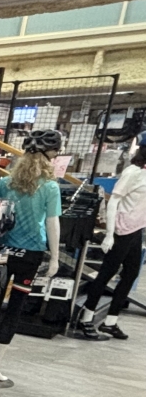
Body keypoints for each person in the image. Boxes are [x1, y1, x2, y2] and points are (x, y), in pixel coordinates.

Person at [0, 129, 64, 386]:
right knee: (15, 308)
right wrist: (55, 258)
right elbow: (52, 223)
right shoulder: (50, 187)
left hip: (2, 251)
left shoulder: (4, 183)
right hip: (30, 254)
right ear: (49, 155)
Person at [76, 133, 146, 340]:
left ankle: (110, 321)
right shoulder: (132, 173)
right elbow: (114, 201)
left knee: (130, 274)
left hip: (136, 230)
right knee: (106, 273)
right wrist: (109, 234)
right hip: (120, 230)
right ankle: (86, 318)